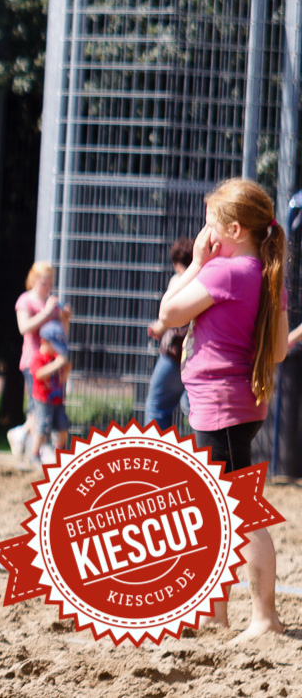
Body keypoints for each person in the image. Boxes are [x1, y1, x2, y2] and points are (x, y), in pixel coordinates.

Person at [156, 178, 286, 642]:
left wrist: (196, 263)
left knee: (241, 513)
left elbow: (168, 313)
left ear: (232, 228)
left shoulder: (224, 272)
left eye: (209, 224)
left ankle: (265, 618)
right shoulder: (265, 274)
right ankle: (216, 614)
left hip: (221, 407)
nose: (203, 232)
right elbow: (276, 353)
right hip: (238, 406)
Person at [14, 261, 69, 440]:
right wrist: (46, 312)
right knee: (37, 406)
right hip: (33, 362)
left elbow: (61, 335)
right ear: (34, 280)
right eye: (44, 283)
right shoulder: (25, 300)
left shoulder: (52, 304)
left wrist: (65, 319)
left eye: (50, 283)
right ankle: (25, 440)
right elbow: (24, 328)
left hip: (51, 363)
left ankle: (22, 439)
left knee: (43, 407)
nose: (48, 287)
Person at [144, 238, 194, 431]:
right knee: (189, 407)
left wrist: (161, 325)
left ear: (175, 262)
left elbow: (174, 316)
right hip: (194, 356)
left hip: (174, 355)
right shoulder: (202, 282)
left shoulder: (177, 281)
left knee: (156, 408)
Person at [26, 319, 70, 465]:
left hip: (57, 399)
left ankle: (60, 452)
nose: (57, 350)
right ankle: (35, 454)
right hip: (43, 400)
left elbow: (62, 379)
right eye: (55, 346)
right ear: (44, 341)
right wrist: (56, 364)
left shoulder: (56, 357)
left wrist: (67, 368)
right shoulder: (38, 357)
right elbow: (39, 374)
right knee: (43, 428)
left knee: (63, 426)